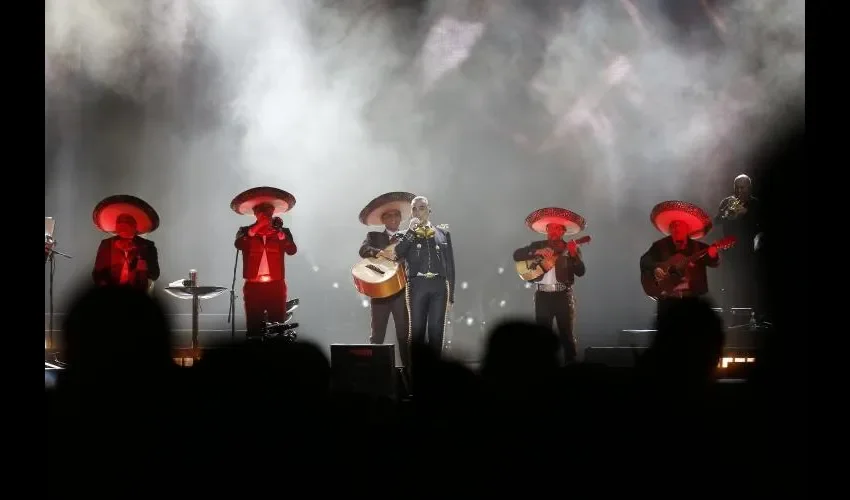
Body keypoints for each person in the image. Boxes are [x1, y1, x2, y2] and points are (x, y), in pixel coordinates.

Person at [512, 207, 587, 363]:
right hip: (542, 296)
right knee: (541, 337)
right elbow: (516, 255)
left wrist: (574, 255)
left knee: (566, 335)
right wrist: (536, 253)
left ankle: (571, 370)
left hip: (563, 296)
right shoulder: (537, 245)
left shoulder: (571, 248)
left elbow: (581, 272)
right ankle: (543, 372)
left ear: (563, 232)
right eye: (551, 229)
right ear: (546, 230)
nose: (554, 232)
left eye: (558, 229)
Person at [357, 191, 415, 368]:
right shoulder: (374, 237)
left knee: (404, 336)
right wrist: (379, 252)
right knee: (377, 336)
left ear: (400, 219)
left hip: (400, 292)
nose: (393, 219)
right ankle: (375, 375)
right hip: (380, 292)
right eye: (389, 216)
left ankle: (409, 379)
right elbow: (363, 250)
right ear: (383, 220)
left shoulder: (408, 237)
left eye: (396, 215)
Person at [393, 196, 455, 358]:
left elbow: (450, 266)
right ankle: (415, 375)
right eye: (414, 208)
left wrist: (451, 296)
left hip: (439, 286)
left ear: (429, 210)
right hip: (417, 285)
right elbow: (398, 253)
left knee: (436, 331)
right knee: (417, 331)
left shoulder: (442, 233)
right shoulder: (404, 234)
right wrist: (411, 231)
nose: (417, 211)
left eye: (421, 207)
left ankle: (435, 375)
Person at [232, 187, 298, 340]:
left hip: (276, 285)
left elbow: (292, 250)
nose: (265, 216)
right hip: (253, 286)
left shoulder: (282, 231)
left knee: (277, 327)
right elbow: (239, 244)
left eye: (268, 213)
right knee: (254, 327)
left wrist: (280, 234)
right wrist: (257, 227)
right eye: (261, 213)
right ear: (255, 214)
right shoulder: (245, 231)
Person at [640, 201, 720, 311]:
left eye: (680, 226)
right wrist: (656, 268)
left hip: (693, 301)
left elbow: (714, 263)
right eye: (673, 227)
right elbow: (645, 261)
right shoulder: (660, 246)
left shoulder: (700, 247)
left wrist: (712, 254)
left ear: (687, 230)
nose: (676, 230)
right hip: (667, 302)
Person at [91, 195, 161, 293]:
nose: (122, 226)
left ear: (134, 226)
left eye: (126, 222)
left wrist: (142, 263)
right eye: (119, 222)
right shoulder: (107, 244)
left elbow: (155, 275)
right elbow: (97, 275)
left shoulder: (147, 246)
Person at [715, 174, 761, 308]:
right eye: (737, 188)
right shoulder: (726, 202)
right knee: (728, 283)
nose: (740, 191)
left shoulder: (755, 204)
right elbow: (716, 220)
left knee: (749, 282)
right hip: (729, 249)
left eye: (743, 188)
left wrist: (746, 213)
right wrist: (725, 215)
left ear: (749, 188)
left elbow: (762, 224)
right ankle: (728, 312)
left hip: (748, 250)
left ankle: (753, 313)